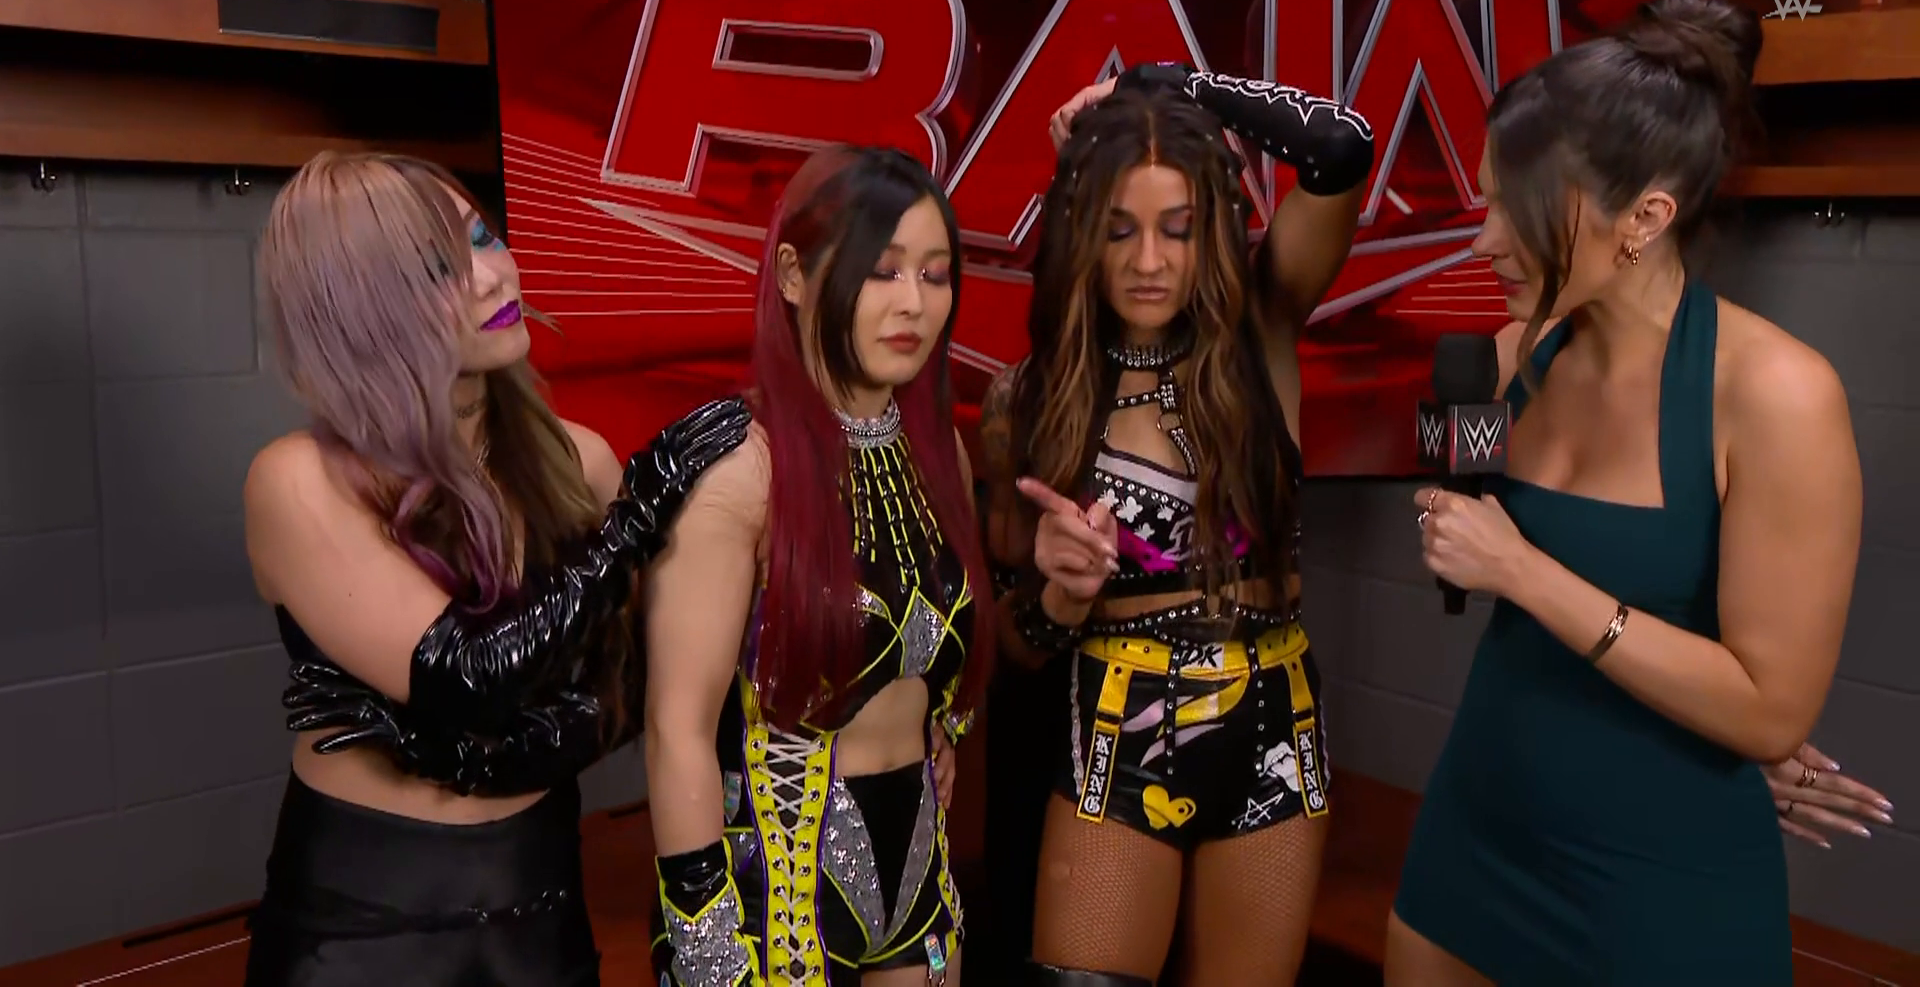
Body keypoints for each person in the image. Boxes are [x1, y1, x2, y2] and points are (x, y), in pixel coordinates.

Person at [1389, 0, 1867, 986]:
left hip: (1657, 883)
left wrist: (1523, 572)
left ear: (1645, 218)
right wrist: (1448, 521)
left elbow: (1769, 714)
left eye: (1517, 212)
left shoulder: (1780, 396)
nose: (1483, 242)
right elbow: (1457, 526)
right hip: (1472, 837)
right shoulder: (1498, 359)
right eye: (1486, 202)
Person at [241, 151, 748, 986]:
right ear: (360, 310)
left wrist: (515, 755)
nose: (491, 275)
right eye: (438, 267)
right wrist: (635, 523)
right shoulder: (298, 480)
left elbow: (657, 679)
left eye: (483, 238)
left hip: (538, 897)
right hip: (363, 923)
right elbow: (465, 674)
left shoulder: (576, 461)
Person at [979, 63, 1375, 985]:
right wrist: (1058, 597)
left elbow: (1340, 146)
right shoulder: (1029, 404)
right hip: (1119, 733)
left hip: (1277, 731)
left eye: (1178, 228)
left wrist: (1170, 87)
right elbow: (1008, 651)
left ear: (1213, 233)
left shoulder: (1260, 331)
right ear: (1081, 231)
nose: (1149, 262)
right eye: (1119, 229)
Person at [642, 145, 994, 986]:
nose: (913, 303)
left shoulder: (941, 455)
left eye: (935, 275)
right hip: (775, 897)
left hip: (919, 870)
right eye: (881, 271)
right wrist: (709, 945)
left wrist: (943, 726)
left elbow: (940, 655)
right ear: (794, 275)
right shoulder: (745, 473)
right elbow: (676, 729)